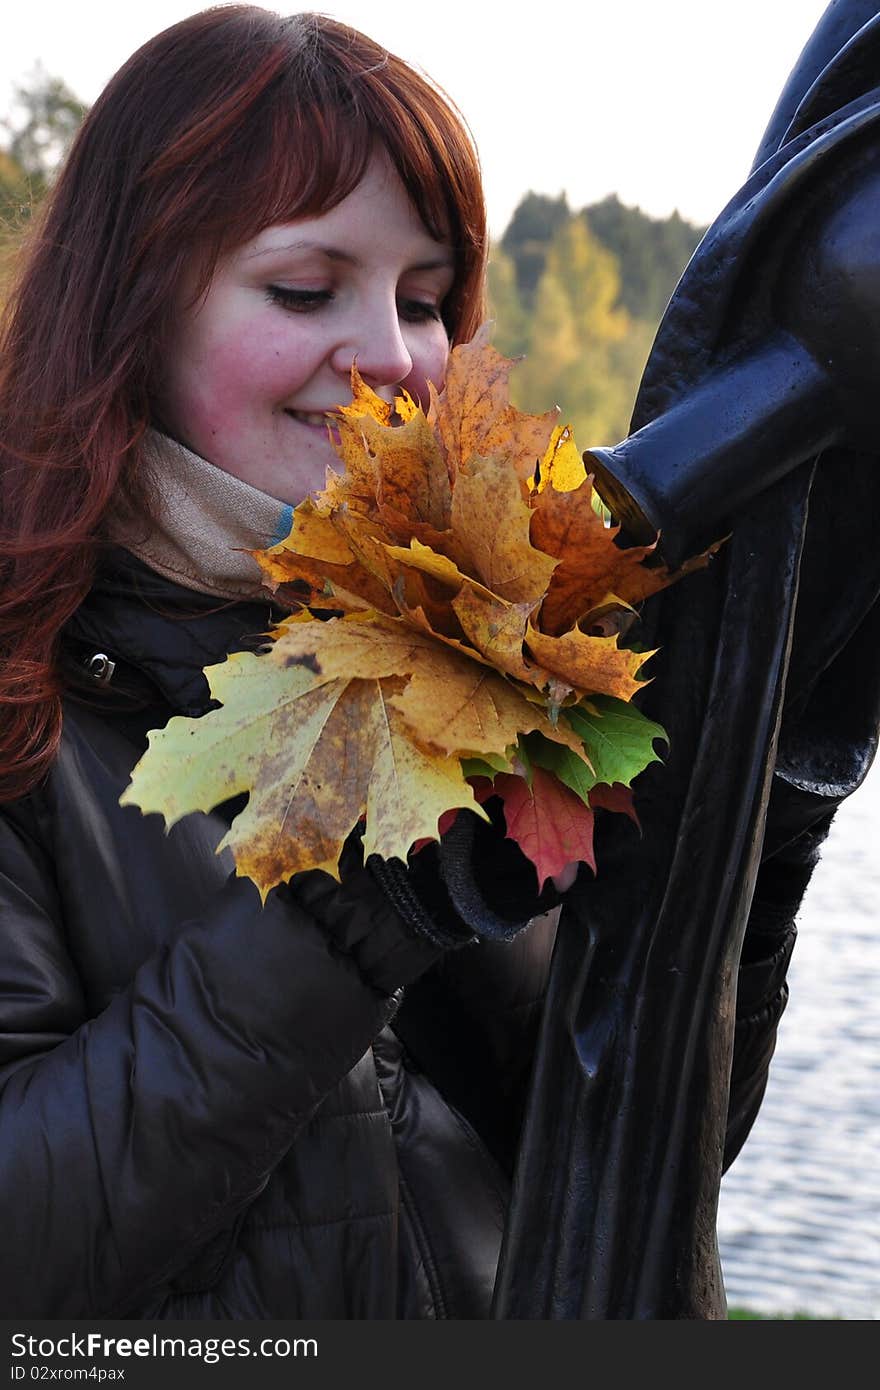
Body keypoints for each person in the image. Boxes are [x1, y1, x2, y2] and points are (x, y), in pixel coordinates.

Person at [0, 5, 796, 1323]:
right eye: (306, 289)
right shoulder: (29, 704)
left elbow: (638, 1148)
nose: (393, 354)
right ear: (134, 309)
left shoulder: (468, 649)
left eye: (426, 300)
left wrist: (771, 810)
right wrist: (351, 913)